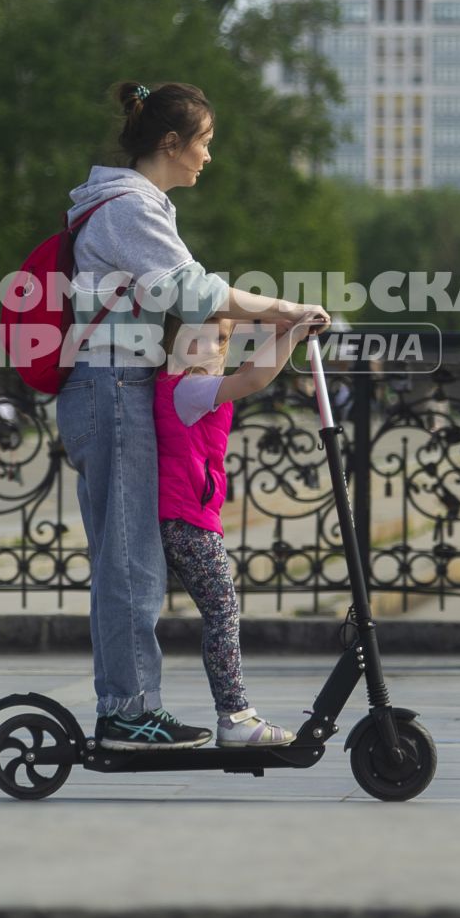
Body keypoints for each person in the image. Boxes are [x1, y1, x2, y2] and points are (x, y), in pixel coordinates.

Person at [60, 80, 326, 751]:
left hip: (119, 380)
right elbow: (197, 291)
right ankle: (125, 710)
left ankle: (130, 704)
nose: (209, 156)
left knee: (133, 557)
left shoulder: (137, 205)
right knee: (128, 561)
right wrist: (284, 310)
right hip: (112, 384)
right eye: (204, 143)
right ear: (171, 144)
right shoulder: (130, 209)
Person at [156, 312, 325, 746]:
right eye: (196, 340)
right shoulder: (189, 388)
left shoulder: (190, 387)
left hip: (188, 516)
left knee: (220, 610)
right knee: (222, 611)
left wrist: (286, 332)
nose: (210, 349)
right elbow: (252, 382)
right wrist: (296, 333)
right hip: (187, 520)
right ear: (171, 344)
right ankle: (234, 717)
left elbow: (249, 370)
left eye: (219, 341)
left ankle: (233, 713)